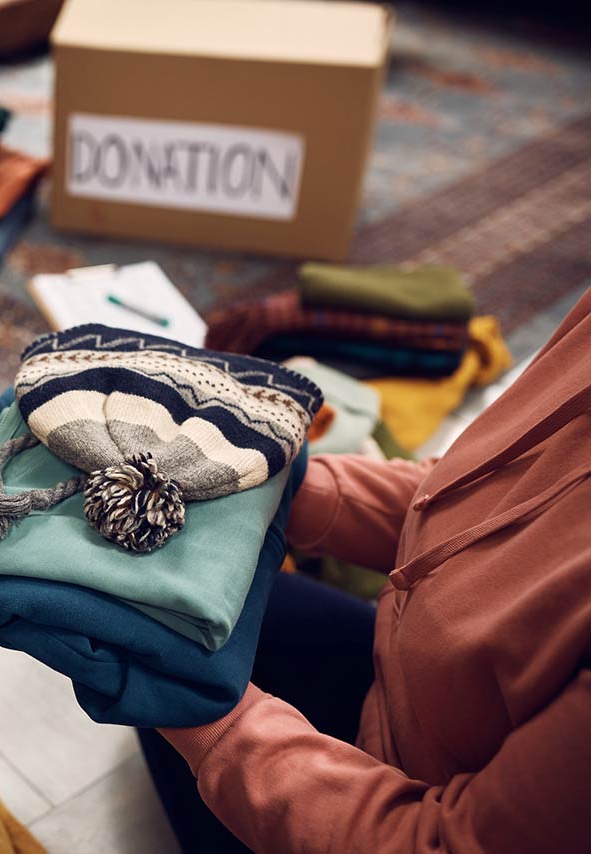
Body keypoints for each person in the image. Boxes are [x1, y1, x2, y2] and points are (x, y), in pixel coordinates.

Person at [138, 289, 591, 853]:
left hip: (420, 807)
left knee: (159, 630)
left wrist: (213, 725)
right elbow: (482, 492)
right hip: (399, 684)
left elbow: (443, 843)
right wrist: (274, 485)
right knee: (178, 597)